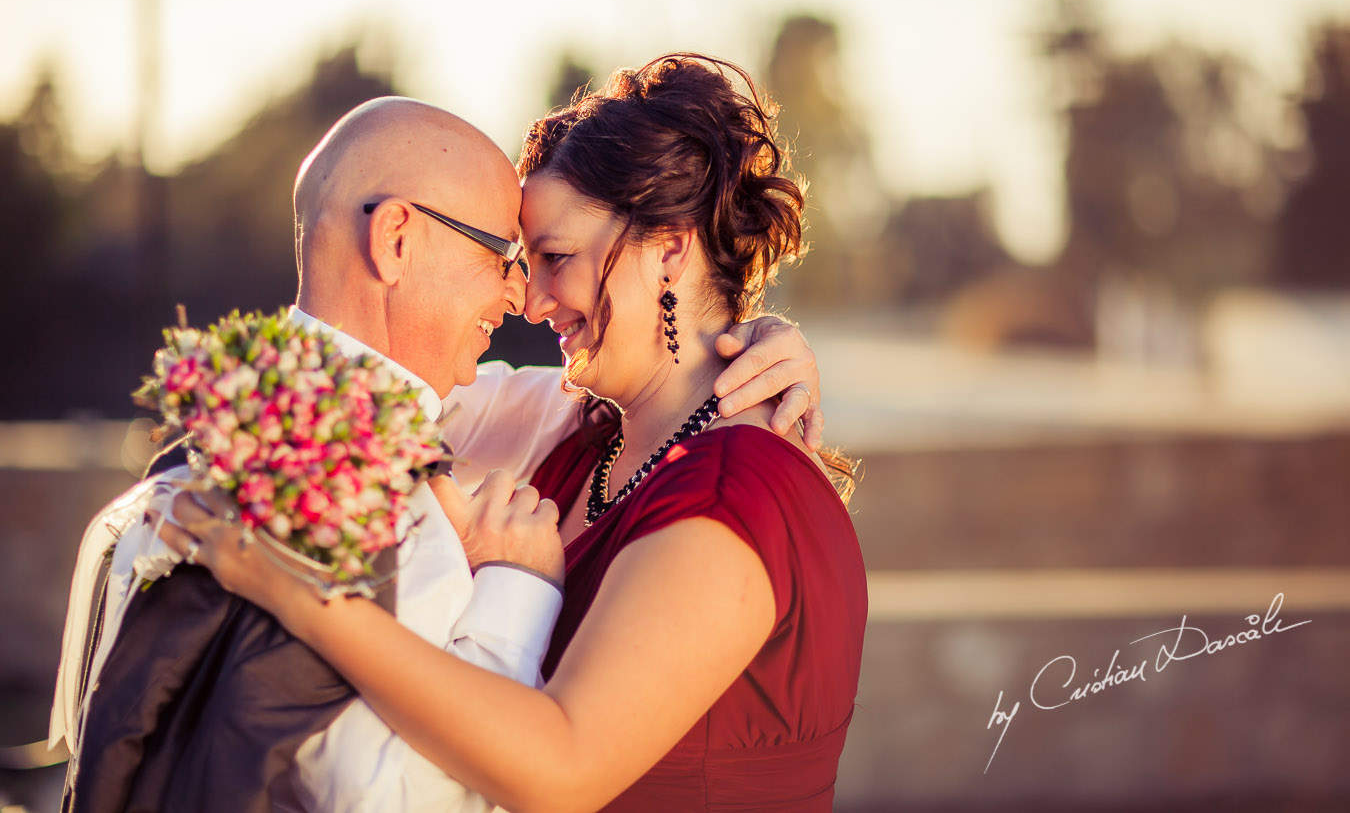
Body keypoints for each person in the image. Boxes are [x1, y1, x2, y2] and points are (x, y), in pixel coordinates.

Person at [51, 95, 826, 813]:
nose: (523, 298)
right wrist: (516, 592)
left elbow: (658, 403)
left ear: (668, 253)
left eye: (547, 258)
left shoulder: (218, 443)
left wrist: (744, 348)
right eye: (506, 255)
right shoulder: (357, 477)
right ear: (395, 239)